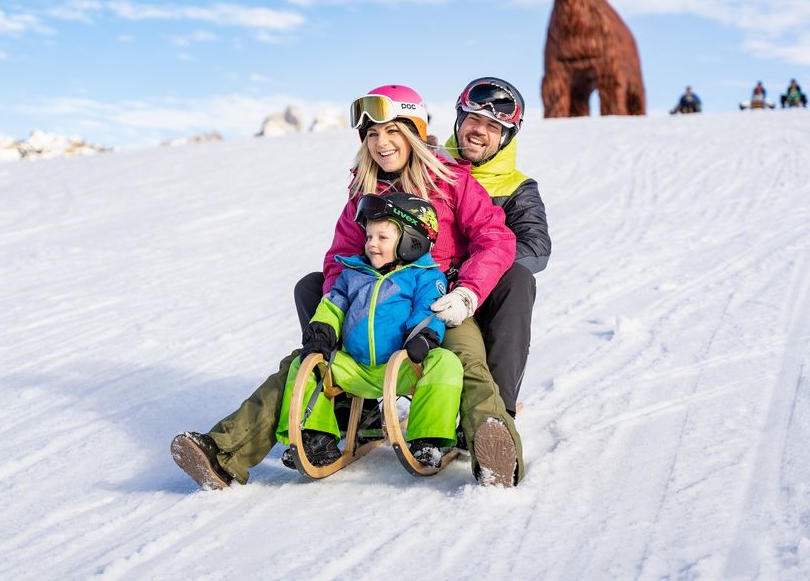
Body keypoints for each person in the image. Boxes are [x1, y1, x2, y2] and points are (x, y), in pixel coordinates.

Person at [172, 84, 523, 489]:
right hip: (371, 301)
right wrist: (333, 316)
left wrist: (466, 293)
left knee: (464, 357)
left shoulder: (450, 181)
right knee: (301, 365)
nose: (381, 143)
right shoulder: (363, 192)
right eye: (372, 134)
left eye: (392, 132)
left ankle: (495, 457)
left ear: (411, 132)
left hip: (434, 302)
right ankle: (222, 454)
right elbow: (339, 258)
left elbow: (496, 239)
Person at [276, 192, 462, 471]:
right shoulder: (353, 273)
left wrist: (423, 338)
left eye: (382, 238)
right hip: (356, 369)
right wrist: (321, 331)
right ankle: (315, 437)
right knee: (305, 364)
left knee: (447, 364)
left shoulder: (424, 276)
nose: (372, 245)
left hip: (403, 366)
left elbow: (428, 311)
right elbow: (333, 304)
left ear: (412, 241)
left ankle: (428, 440)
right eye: (369, 237)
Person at [437, 77, 550, 417]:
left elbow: (536, 246)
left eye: (492, 126)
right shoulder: (430, 168)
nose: (478, 131)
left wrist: (471, 270)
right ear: (459, 119)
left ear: (505, 137)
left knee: (517, 279)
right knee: (321, 282)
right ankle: (349, 406)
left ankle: (496, 415)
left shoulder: (516, 188)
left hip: (481, 297)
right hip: (423, 284)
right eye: (473, 119)